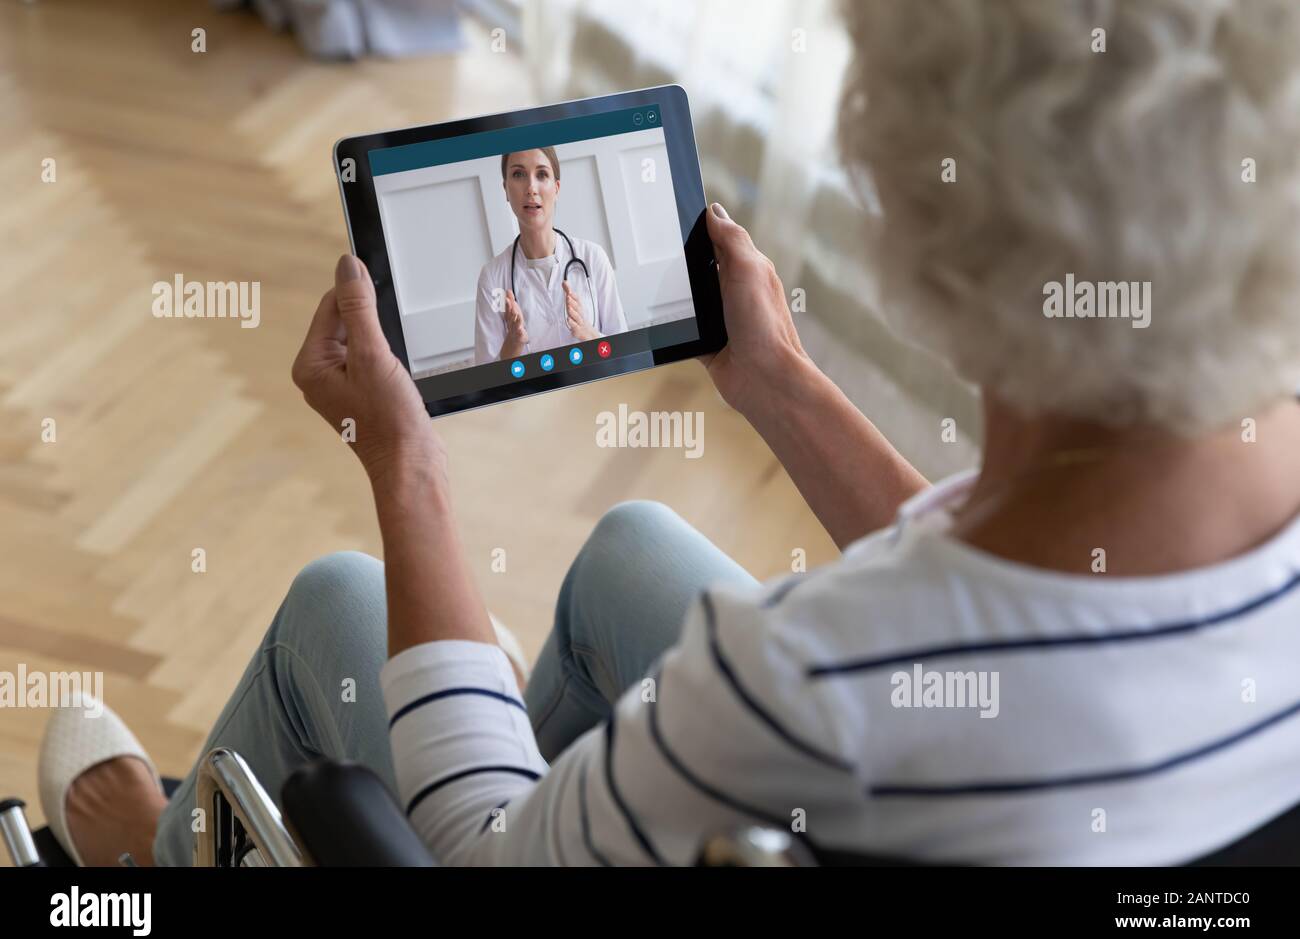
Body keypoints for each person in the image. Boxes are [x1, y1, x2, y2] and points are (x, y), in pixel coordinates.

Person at [40, 0, 1300, 866]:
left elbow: (491, 853)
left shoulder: (807, 680)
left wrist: (406, 460)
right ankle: (577, 777)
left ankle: (150, 861)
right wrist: (783, 382)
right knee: (632, 542)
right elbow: (1034, 594)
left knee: (337, 599)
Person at [472, 146, 627, 364]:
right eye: (518, 174)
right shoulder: (492, 278)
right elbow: (485, 383)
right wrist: (512, 345)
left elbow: (626, 356)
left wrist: (588, 334)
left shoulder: (593, 258)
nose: (531, 188)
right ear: (506, 189)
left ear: (556, 188)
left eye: (542, 174)